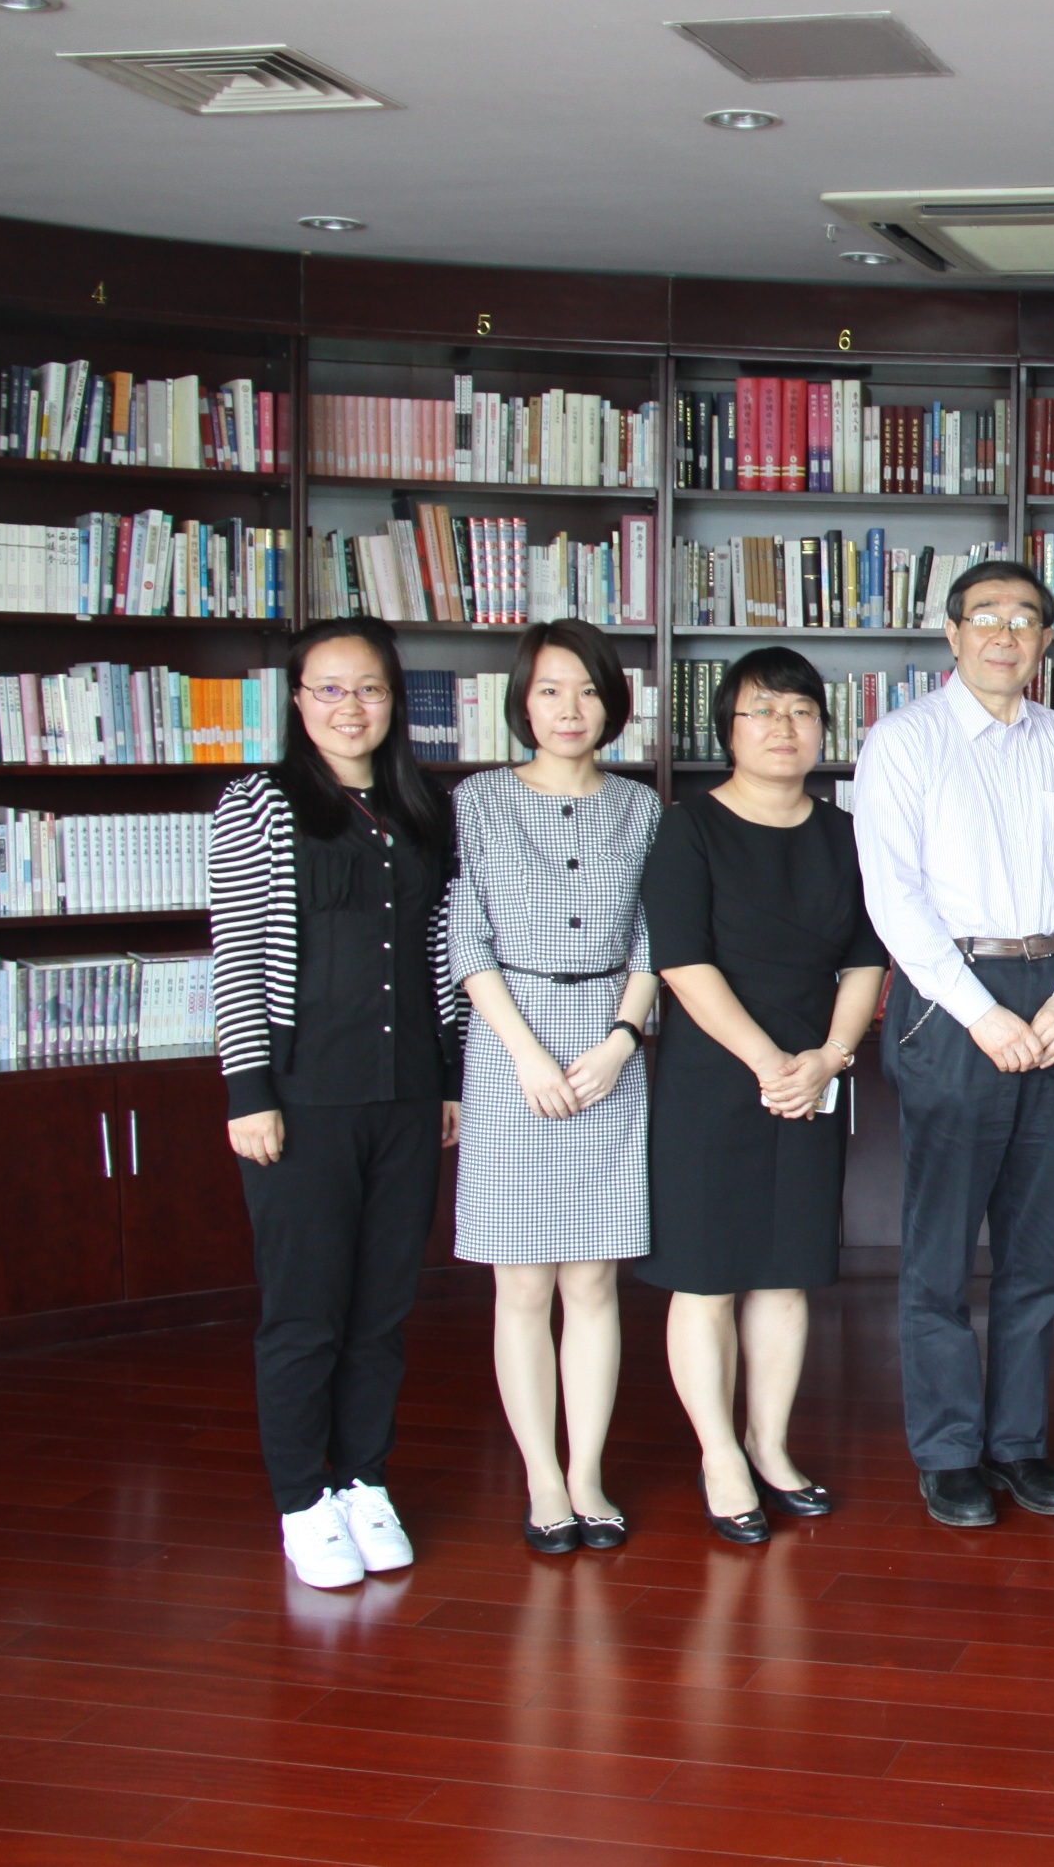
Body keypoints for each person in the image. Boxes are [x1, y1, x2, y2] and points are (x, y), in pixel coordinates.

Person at [853, 560, 1054, 1530]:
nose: (1007, 634)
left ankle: (1018, 1441)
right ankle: (950, 1448)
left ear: (1047, 641)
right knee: (939, 1251)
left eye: (1027, 620)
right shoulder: (904, 741)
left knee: (1037, 1247)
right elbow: (895, 899)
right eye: (988, 618)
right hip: (950, 998)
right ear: (953, 634)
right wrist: (981, 1011)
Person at [210, 617, 462, 1591]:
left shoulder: (418, 805)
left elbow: (438, 955)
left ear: (393, 701)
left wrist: (445, 1079)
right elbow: (238, 949)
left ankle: (363, 1478)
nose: (350, 707)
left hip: (404, 1098)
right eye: (329, 689)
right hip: (301, 1095)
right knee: (306, 1309)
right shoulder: (263, 803)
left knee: (382, 1307)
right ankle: (300, 1498)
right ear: (298, 700)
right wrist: (247, 1089)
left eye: (369, 689)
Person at [639, 646, 886, 1545]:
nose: (784, 727)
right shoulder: (687, 827)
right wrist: (766, 1060)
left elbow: (867, 955)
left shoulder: (847, 832)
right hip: (715, 1075)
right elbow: (681, 959)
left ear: (824, 726)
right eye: (761, 711)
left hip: (815, 1072)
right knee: (705, 1279)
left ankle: (771, 1445)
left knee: (786, 1276)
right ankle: (719, 1453)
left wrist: (826, 1056)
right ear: (728, 731)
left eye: (800, 710)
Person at [448, 619, 661, 1555]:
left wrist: (623, 1039)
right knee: (522, 1286)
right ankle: (540, 1475)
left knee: (595, 1282)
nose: (569, 709)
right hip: (510, 1051)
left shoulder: (641, 807)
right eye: (548, 690)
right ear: (522, 702)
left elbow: (659, 942)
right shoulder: (477, 801)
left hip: (610, 1049)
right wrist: (525, 1054)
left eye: (585, 690)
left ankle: (588, 1474)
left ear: (613, 702)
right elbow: (463, 938)